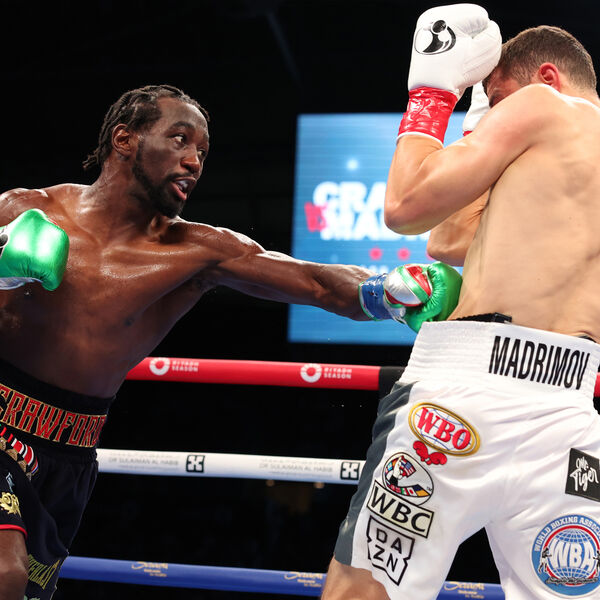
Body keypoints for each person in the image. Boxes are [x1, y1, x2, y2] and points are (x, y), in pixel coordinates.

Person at [0, 84, 462, 600]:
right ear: (124, 140)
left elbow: (315, 282)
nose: (194, 161)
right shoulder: (25, 209)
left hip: (70, 453)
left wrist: (389, 291)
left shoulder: (198, 251)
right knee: (4, 572)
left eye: (202, 150)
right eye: (179, 139)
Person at [322, 4, 600, 600]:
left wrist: (433, 95)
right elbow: (449, 240)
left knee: (364, 593)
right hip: (571, 417)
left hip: (463, 396)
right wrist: (479, 130)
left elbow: (406, 207)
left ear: (546, 78)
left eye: (495, 100)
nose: (495, 115)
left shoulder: (542, 104)